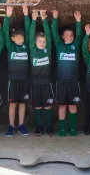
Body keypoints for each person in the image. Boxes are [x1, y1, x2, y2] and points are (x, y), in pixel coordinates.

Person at [51, 10, 82, 136]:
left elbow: (80, 35)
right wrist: (54, 18)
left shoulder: (75, 45)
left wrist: (78, 21)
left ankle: (73, 128)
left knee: (73, 105)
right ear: (62, 36)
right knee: (62, 106)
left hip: (74, 82)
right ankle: (62, 128)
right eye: (66, 35)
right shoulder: (59, 45)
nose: (69, 37)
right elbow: (53, 32)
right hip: (61, 82)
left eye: (71, 35)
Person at [3, 5, 31, 137]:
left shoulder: (26, 46)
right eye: (18, 38)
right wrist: (7, 17)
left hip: (24, 79)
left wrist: (26, 15)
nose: (21, 40)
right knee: (13, 103)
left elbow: (28, 30)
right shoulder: (10, 46)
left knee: (22, 103)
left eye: (22, 38)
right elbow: (4, 32)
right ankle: (11, 126)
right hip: (13, 80)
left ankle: (21, 125)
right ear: (13, 38)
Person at [29, 9, 55, 137]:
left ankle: (49, 127)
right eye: (40, 41)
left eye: (44, 41)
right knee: (38, 106)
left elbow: (49, 35)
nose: (42, 43)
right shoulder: (33, 50)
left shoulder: (47, 49)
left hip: (46, 83)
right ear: (35, 42)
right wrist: (33, 20)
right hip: (35, 83)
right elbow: (30, 35)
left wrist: (44, 19)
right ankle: (39, 127)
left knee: (48, 106)